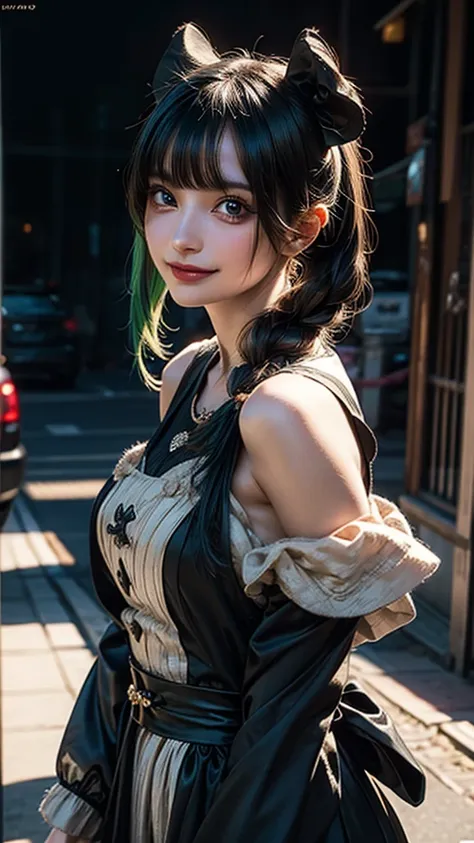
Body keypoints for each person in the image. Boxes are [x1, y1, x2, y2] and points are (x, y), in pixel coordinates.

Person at [40, 22, 441, 843]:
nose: (181, 236)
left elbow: (298, 697)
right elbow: (136, 632)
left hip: (249, 799)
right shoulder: (190, 375)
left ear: (303, 224)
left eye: (230, 205)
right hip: (146, 773)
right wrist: (89, 790)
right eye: (164, 194)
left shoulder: (285, 411)